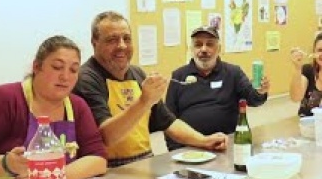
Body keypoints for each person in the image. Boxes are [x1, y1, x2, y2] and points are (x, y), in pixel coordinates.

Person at [74, 11, 227, 167]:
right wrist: (144, 101)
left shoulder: (137, 73)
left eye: (127, 39)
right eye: (112, 40)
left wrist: (204, 141)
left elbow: (168, 122)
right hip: (109, 169)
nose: (122, 45)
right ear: (94, 43)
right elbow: (106, 136)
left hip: (145, 162)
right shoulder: (86, 78)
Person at [0, 36, 107, 179]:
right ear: (36, 67)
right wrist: (6, 164)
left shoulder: (77, 106)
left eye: (74, 70)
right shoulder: (4, 100)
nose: (65, 77)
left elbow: (98, 159)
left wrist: (50, 177)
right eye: (57, 67)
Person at [165, 26, 270, 151]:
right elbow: (168, 120)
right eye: (198, 45)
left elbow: (254, 100)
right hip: (189, 148)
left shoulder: (233, 73)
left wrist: (260, 91)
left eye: (210, 44)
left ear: (219, 48)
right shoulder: (178, 76)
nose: (204, 49)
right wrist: (176, 151)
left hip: (225, 145)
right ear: (191, 49)